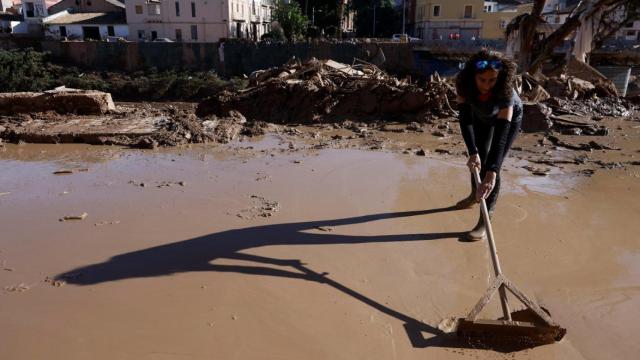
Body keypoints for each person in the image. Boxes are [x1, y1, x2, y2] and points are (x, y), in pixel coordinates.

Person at [454, 49, 523, 241]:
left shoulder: (505, 92)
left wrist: (492, 170)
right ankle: (473, 195)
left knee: (493, 165)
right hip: (480, 117)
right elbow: (465, 119)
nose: (486, 85)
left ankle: (485, 220)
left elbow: (501, 133)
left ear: (499, 77)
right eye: (482, 80)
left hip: (507, 121)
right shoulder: (463, 83)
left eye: (492, 80)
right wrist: (473, 151)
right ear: (473, 76)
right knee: (478, 161)